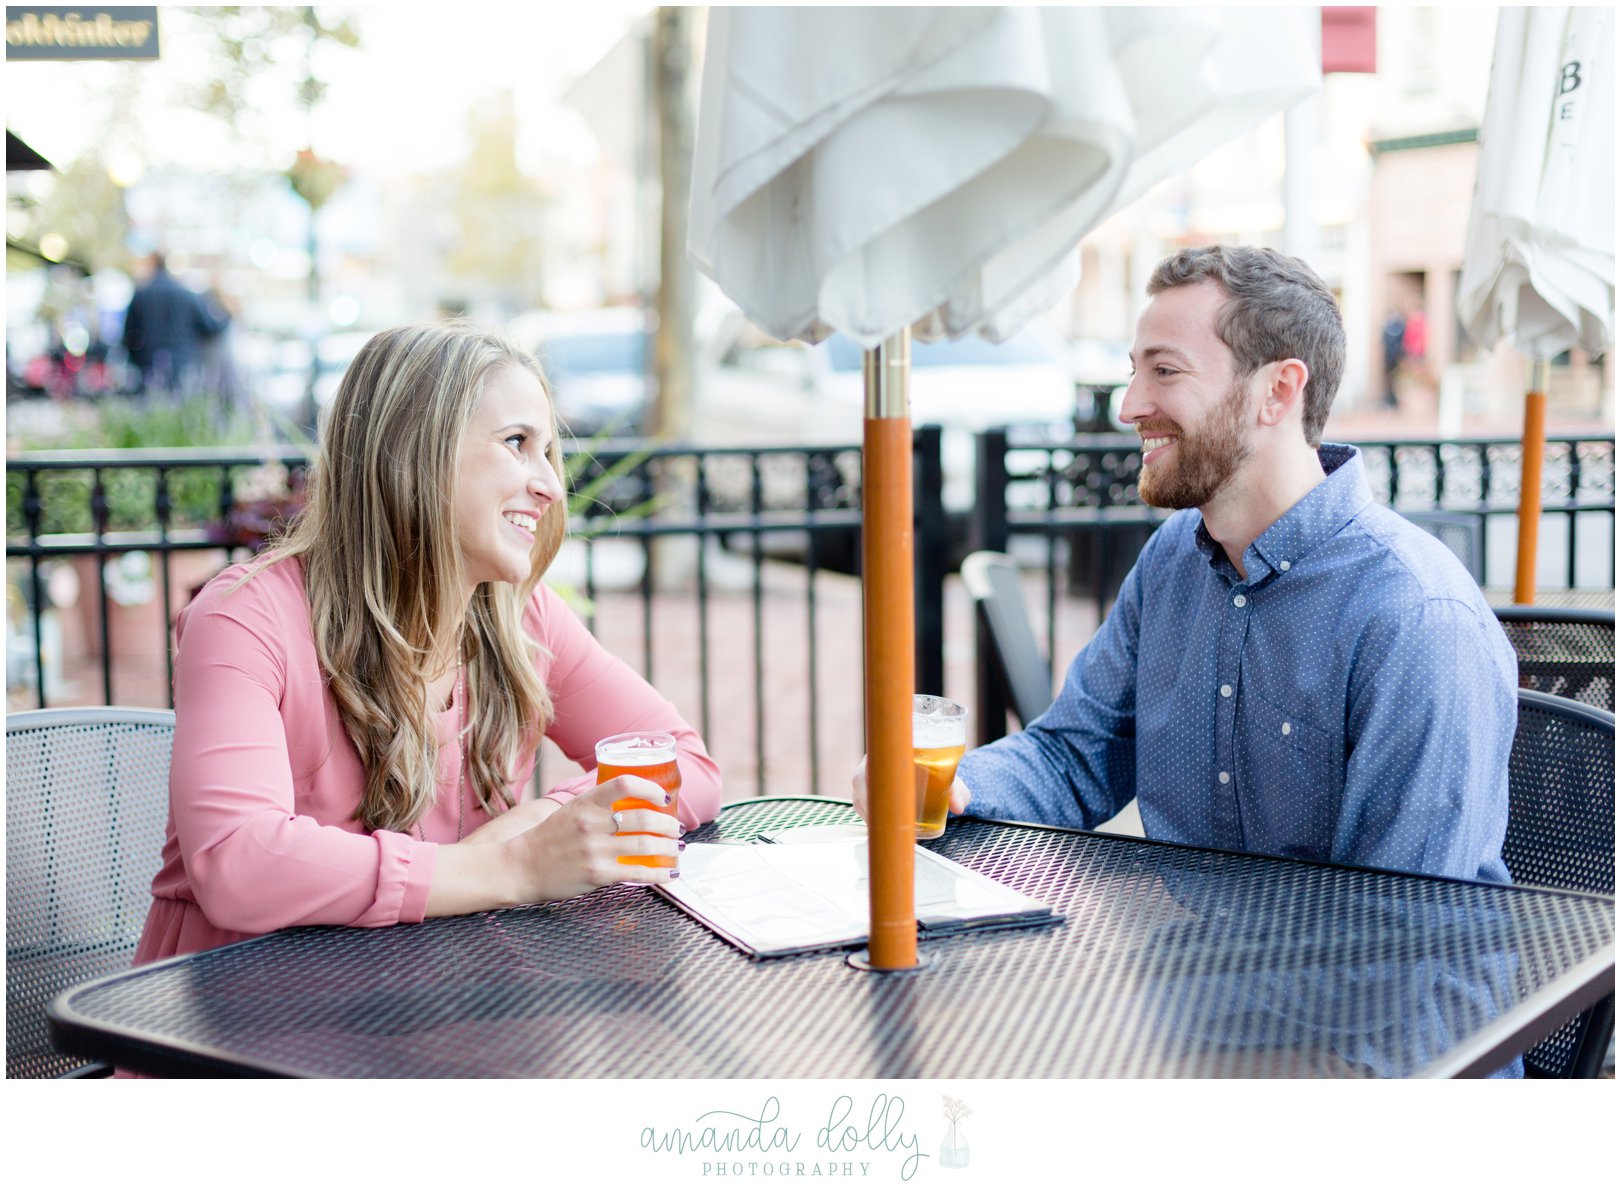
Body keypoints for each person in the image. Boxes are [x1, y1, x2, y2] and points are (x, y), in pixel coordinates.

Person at [855, 245, 1517, 885]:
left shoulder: (1415, 618)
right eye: (1133, 370)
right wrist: (951, 785)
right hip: (1194, 977)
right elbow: (1072, 757)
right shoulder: (1173, 556)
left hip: (1353, 992)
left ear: (1277, 391)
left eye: (1164, 371)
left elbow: (1403, 929)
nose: (1127, 406)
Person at [134, 322, 721, 966]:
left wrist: (538, 826)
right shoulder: (245, 616)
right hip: (236, 1024)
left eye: (547, 452)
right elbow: (240, 863)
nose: (551, 485)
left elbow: (686, 766)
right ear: (416, 453)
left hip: (430, 1000)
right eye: (517, 443)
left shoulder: (519, 618)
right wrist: (513, 870)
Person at [119, 251, 229, 396]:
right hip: (183, 365)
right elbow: (212, 327)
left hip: (148, 366)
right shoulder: (186, 294)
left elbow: (128, 334)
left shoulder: (141, 294)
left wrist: (137, 359)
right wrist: (228, 312)